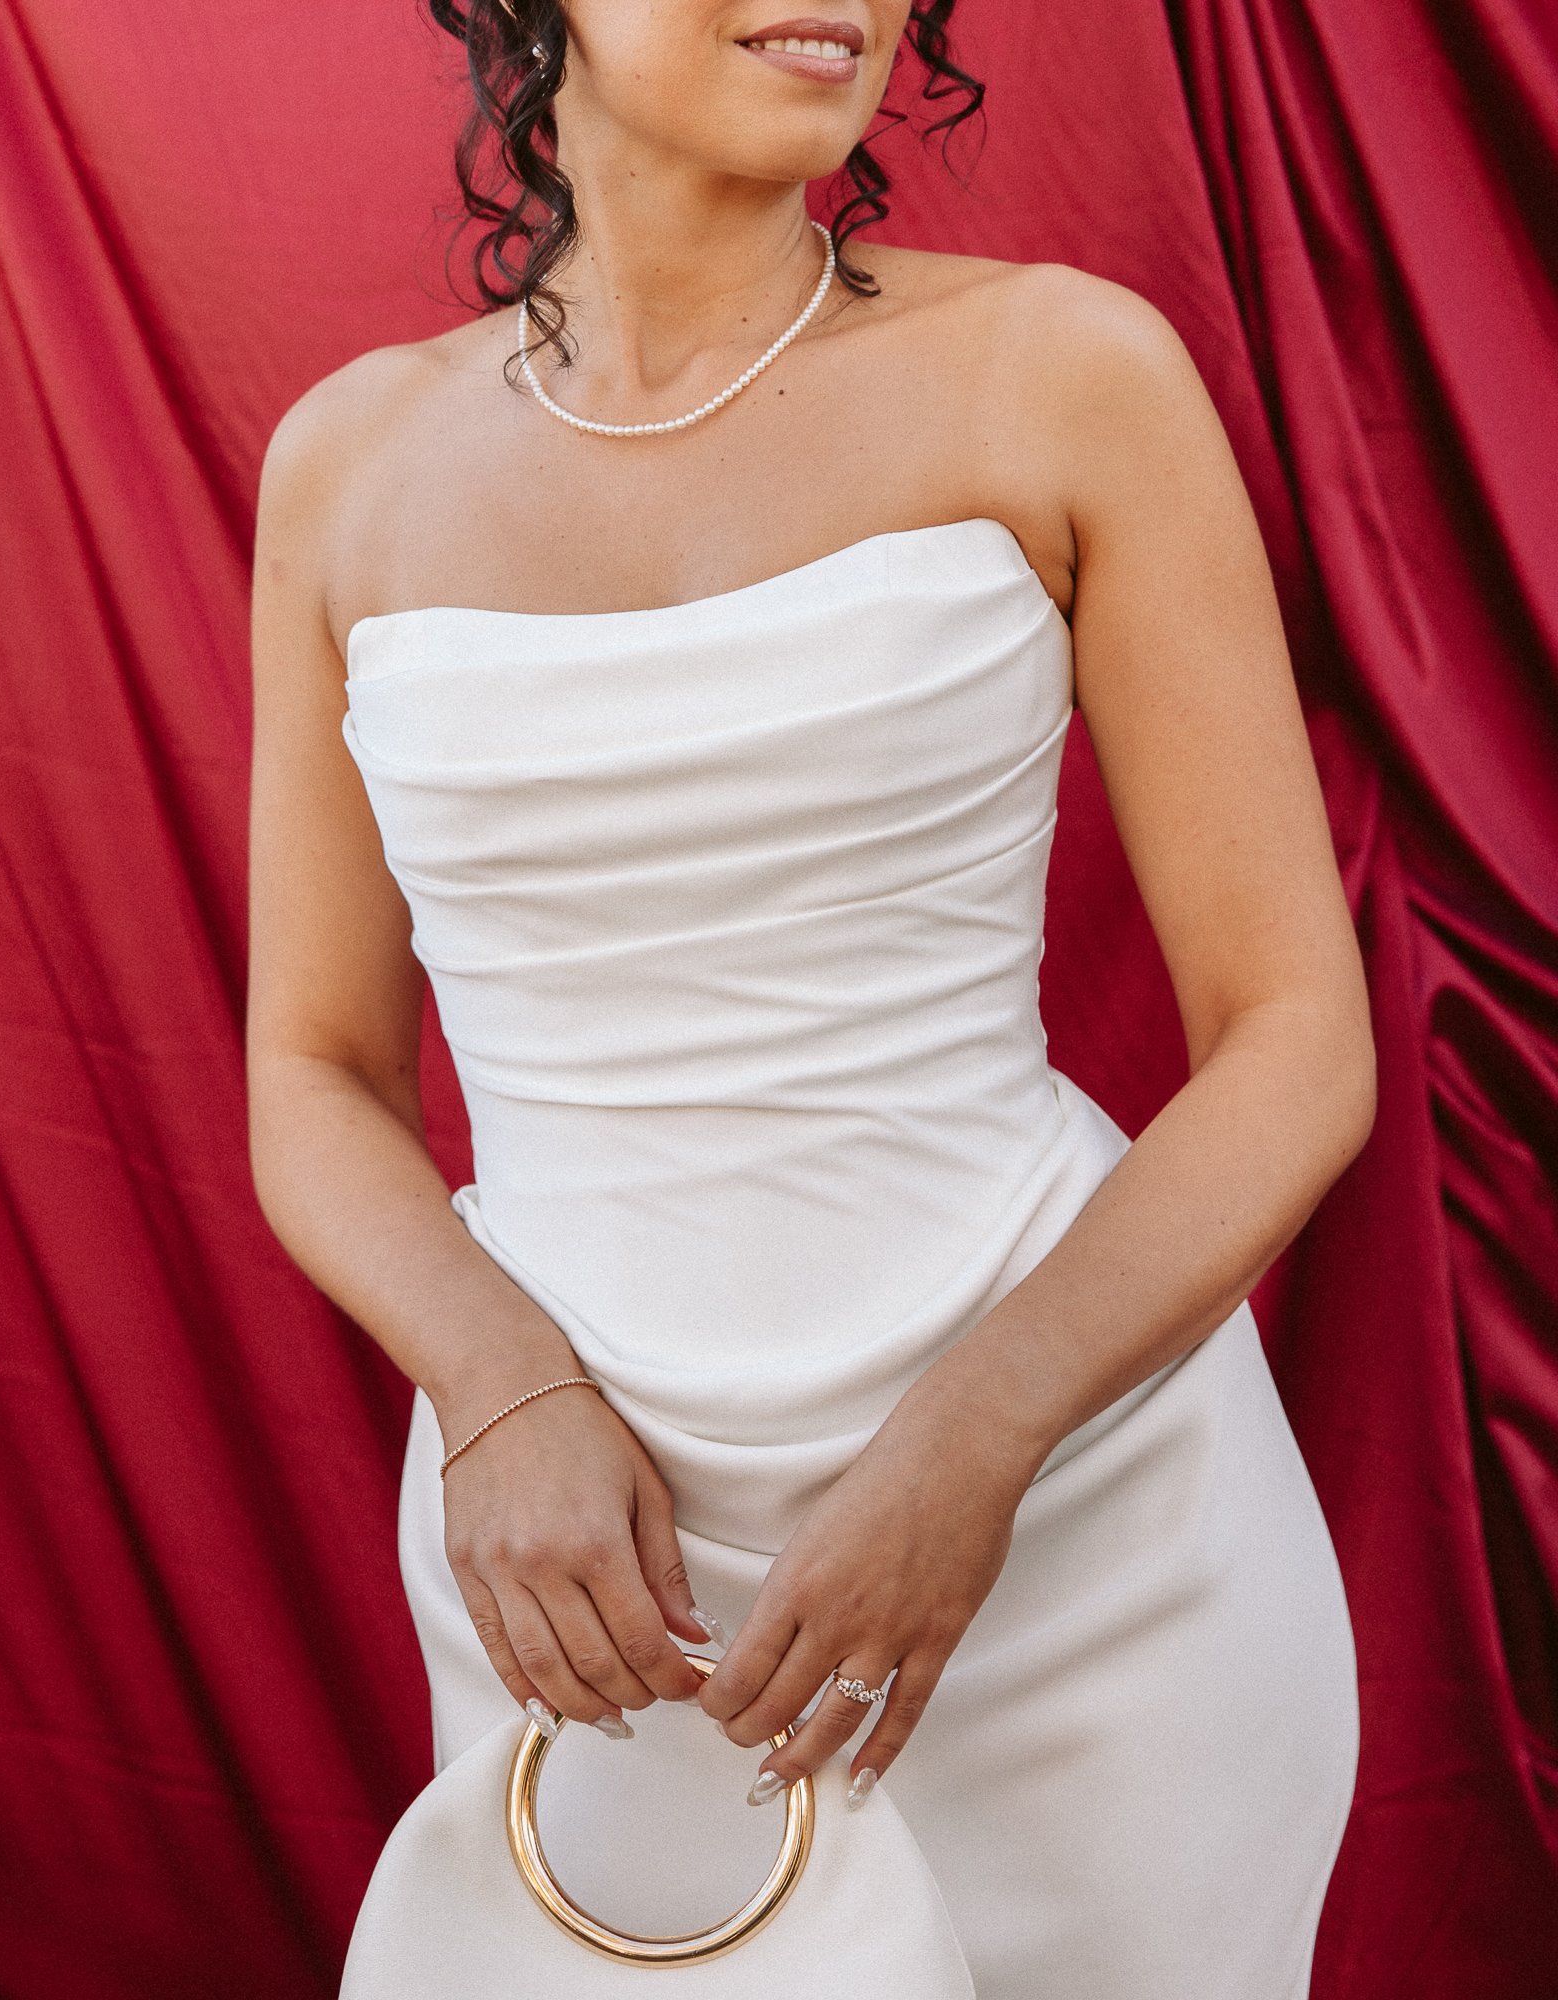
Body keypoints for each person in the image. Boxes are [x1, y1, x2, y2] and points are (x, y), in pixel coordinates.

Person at [245, 3, 1374, 1992]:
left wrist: (984, 1434)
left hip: (1080, 1526)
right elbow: (314, 1073)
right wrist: (496, 1389)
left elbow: (1294, 1038)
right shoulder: (348, 466)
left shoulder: (1061, 371)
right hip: (592, 1571)